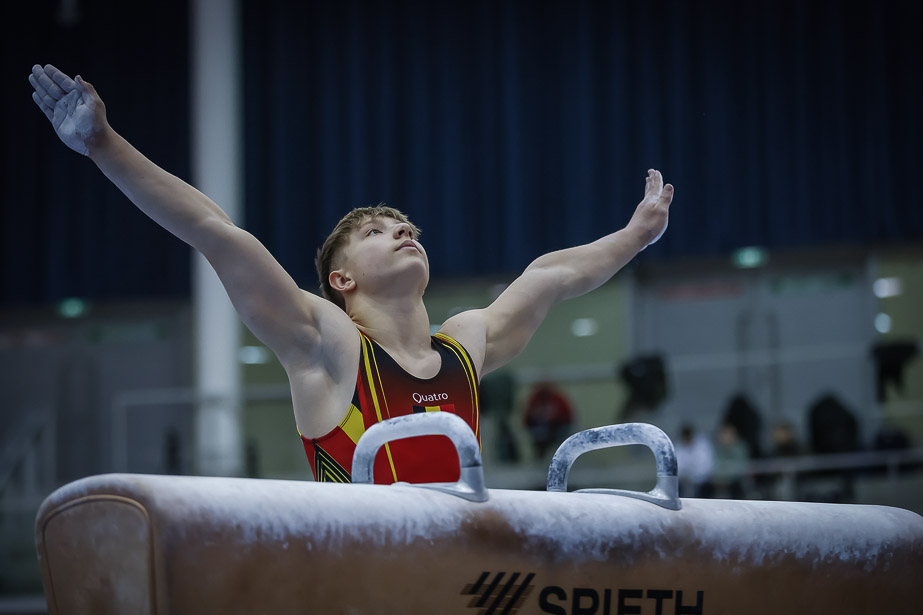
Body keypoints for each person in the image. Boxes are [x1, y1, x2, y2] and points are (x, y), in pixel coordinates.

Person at [29, 63, 674, 484]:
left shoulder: (466, 344)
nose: (404, 232)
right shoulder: (327, 345)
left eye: (407, 227)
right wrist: (103, 145)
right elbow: (216, 233)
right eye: (377, 231)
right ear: (341, 280)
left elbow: (552, 274)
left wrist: (636, 234)